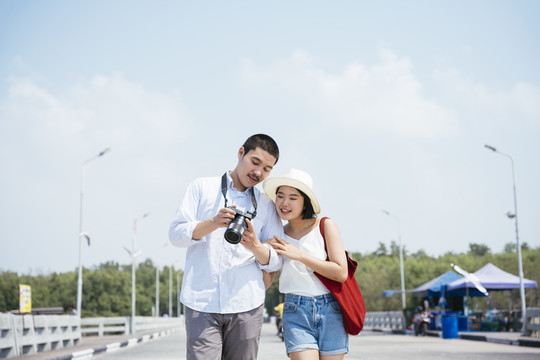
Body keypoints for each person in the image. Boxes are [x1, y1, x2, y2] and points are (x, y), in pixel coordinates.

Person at [169, 134, 284, 360]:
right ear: (241, 153)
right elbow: (175, 235)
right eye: (255, 162)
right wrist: (212, 223)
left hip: (247, 303)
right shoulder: (201, 187)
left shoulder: (266, 204)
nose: (259, 173)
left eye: (267, 169)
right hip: (202, 302)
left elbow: (277, 259)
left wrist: (254, 245)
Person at [263, 168, 349, 359]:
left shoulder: (325, 226)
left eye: (293, 197)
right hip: (295, 309)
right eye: (280, 196)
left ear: (305, 202)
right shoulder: (277, 236)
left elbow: (340, 272)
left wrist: (299, 255)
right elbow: (266, 280)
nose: (284, 203)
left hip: (331, 310)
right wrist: (258, 249)